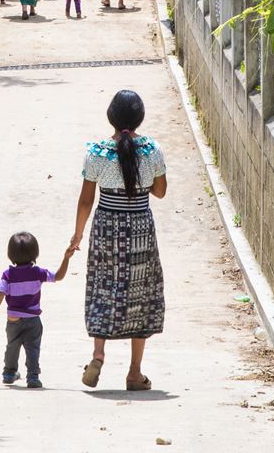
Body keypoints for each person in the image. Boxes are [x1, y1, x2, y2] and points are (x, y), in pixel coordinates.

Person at [70, 90, 167, 391]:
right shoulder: (151, 150)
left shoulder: (97, 152)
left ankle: (98, 354)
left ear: (110, 117)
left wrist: (77, 233)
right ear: (140, 118)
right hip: (139, 229)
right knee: (141, 292)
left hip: (106, 228)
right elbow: (160, 192)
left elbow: (87, 199)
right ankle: (134, 372)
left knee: (103, 285)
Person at [0, 232, 73, 389]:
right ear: (35, 253)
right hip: (33, 320)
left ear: (10, 254)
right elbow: (58, 276)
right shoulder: (38, 273)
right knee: (33, 348)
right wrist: (66, 258)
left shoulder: (8, 275)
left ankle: (9, 373)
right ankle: (33, 377)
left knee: (12, 347)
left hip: (13, 319)